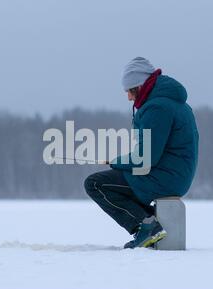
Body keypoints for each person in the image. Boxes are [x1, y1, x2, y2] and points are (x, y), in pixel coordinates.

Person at [84, 57, 199, 249]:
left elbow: (146, 158)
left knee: (95, 183)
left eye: (129, 91)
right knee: (117, 182)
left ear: (139, 85)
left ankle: (146, 226)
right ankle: (151, 223)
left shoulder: (157, 107)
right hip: (174, 175)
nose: (129, 97)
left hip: (165, 177)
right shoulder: (175, 103)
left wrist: (115, 162)